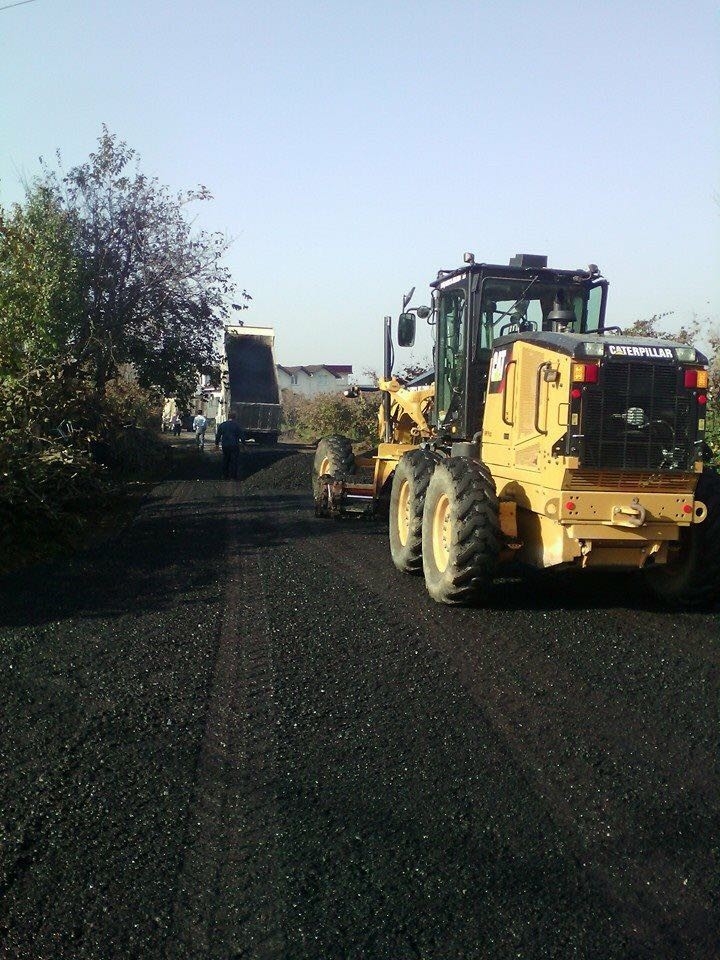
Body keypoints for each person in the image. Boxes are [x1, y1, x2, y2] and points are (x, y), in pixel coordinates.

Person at [215, 410, 245, 479]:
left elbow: (218, 435)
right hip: (234, 445)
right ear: (235, 417)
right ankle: (233, 476)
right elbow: (242, 436)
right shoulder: (237, 426)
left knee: (225, 459)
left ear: (228, 417)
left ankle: (225, 475)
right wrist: (244, 444)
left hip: (225, 445)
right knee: (234, 461)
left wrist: (216, 444)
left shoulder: (222, 425)